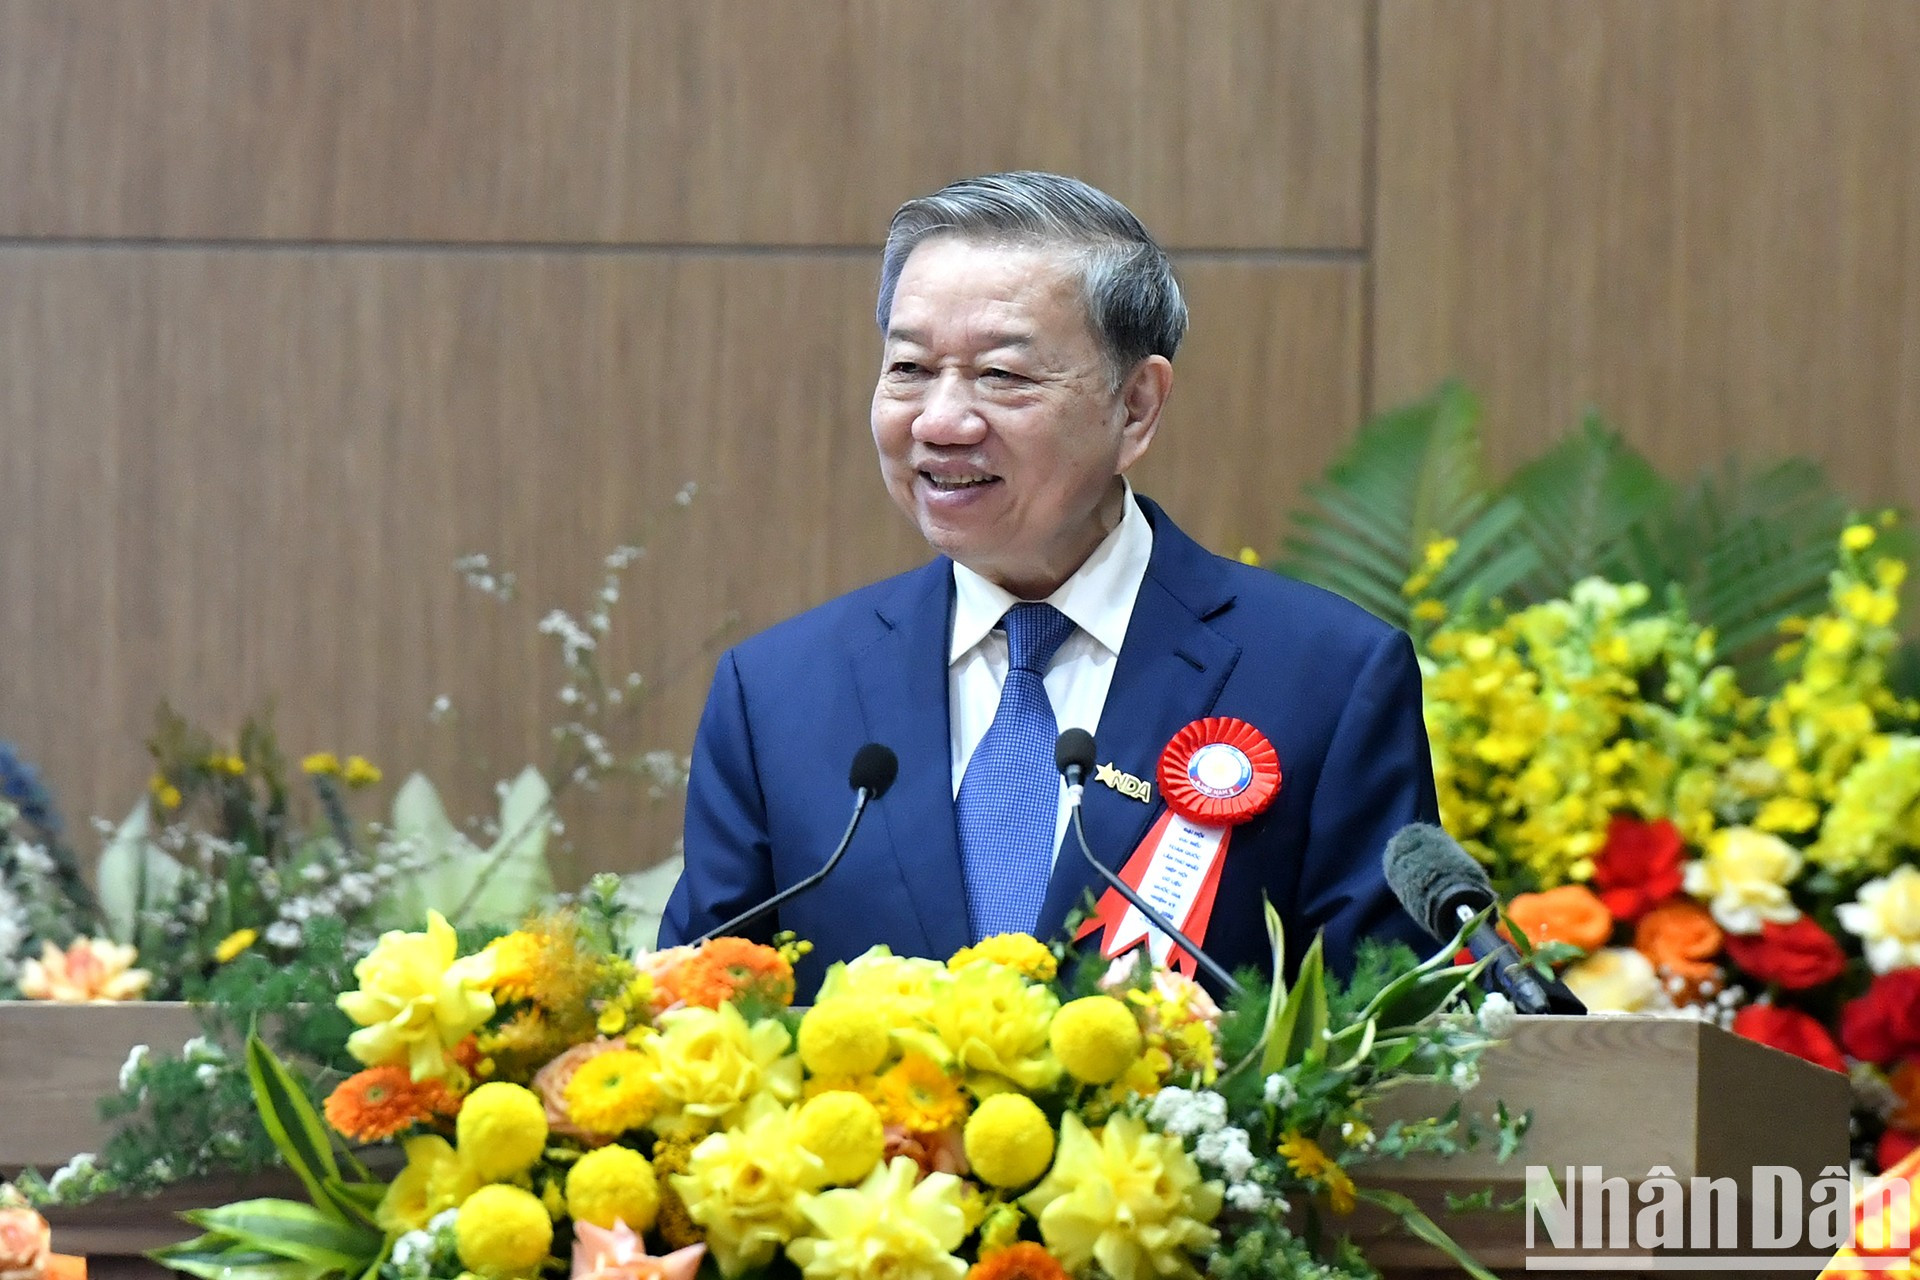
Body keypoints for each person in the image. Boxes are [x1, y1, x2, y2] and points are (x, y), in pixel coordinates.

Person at [658, 171, 1436, 995]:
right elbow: (694, 1016)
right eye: (910, 368)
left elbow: (1397, 1035)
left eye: (1002, 375)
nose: (941, 421)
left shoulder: (1325, 678)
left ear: (1135, 406)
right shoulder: (776, 694)